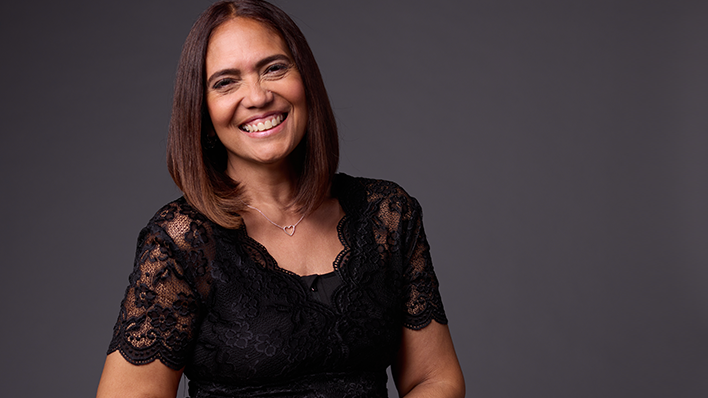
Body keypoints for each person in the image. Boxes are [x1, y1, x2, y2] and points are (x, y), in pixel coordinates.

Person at [96, 1, 464, 397]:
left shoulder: (387, 216)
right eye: (225, 82)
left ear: (305, 78)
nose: (256, 97)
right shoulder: (182, 244)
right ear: (201, 111)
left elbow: (436, 379)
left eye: (274, 68)